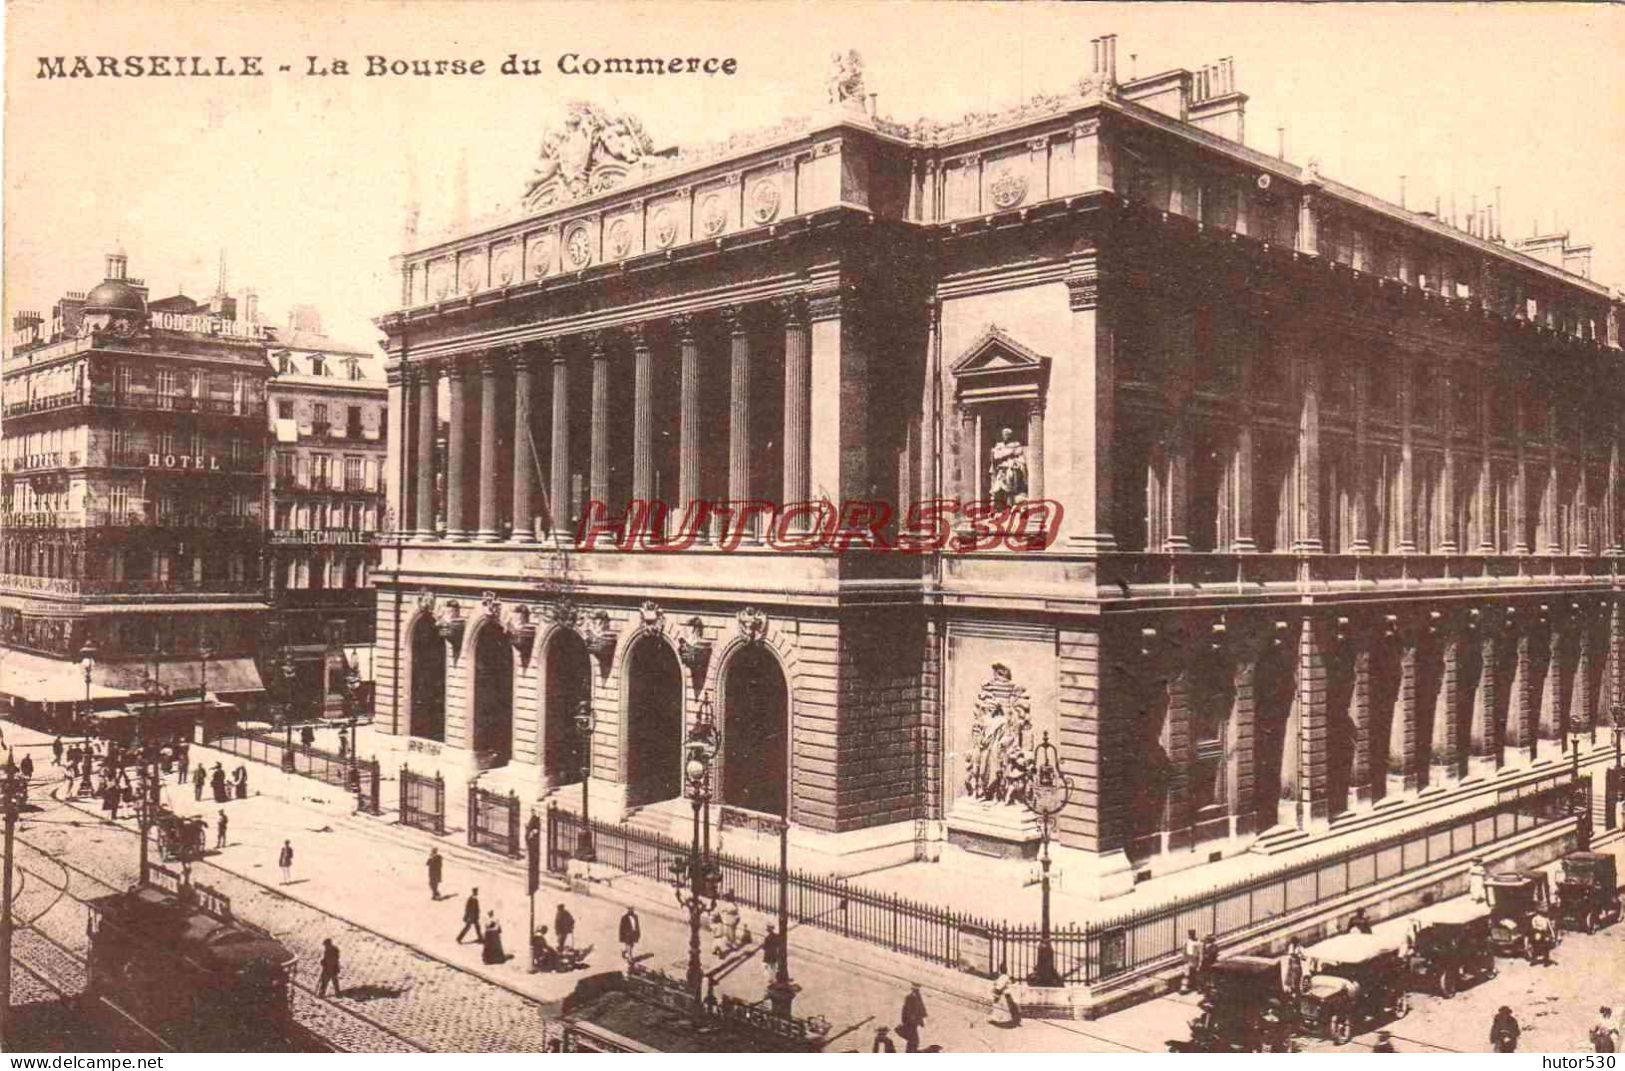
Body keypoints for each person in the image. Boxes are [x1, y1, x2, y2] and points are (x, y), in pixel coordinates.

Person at [898, 982, 928, 1053]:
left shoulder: (917, 996)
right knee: (914, 1039)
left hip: (913, 1022)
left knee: (913, 1039)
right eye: (915, 988)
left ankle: (911, 1051)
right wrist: (907, 1020)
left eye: (917, 988)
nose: (917, 989)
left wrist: (921, 1018)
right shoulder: (910, 997)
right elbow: (906, 1009)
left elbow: (921, 1007)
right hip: (911, 1022)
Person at [990, 962, 1021, 1027]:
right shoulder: (1007, 977)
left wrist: (996, 993)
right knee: (1007, 1008)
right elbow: (1015, 983)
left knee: (1000, 1007)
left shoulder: (1003, 977)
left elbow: (999, 987)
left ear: (1000, 970)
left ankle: (1002, 1021)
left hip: (1003, 995)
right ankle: (1010, 1021)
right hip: (1008, 995)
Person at [1182, 929, 1203, 993]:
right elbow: (1184, 950)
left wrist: (1200, 962)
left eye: (1192, 934)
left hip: (1195, 958)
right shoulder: (1186, 941)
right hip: (1188, 958)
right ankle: (1184, 987)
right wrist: (1184, 959)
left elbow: (1200, 953)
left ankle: (1198, 987)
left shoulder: (1198, 942)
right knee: (1186, 973)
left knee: (1196, 973)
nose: (1191, 935)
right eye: (1190, 934)